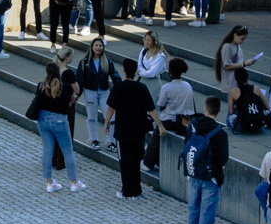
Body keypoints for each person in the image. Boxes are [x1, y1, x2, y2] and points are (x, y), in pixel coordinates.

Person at [26, 60, 83, 193]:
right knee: (68, 151)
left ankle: (49, 182)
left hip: (43, 120)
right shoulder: (67, 87)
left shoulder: (41, 85)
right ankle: (74, 182)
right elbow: (71, 102)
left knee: (47, 151)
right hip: (60, 120)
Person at [183, 96, 229, 224]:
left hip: (193, 173)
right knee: (206, 213)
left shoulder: (193, 125)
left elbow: (187, 145)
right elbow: (223, 159)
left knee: (193, 209)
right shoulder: (220, 133)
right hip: (211, 177)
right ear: (219, 111)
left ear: (205, 108)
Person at [105, 58, 157, 199]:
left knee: (125, 162)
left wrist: (106, 123)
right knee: (135, 160)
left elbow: (110, 108)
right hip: (138, 130)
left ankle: (127, 190)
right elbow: (151, 109)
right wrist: (161, 125)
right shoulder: (142, 88)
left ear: (124, 71)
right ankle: (137, 189)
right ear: (136, 71)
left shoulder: (119, 87)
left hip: (123, 130)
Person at [75, 37, 119, 149]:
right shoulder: (84, 62)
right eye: (96, 45)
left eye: (100, 45)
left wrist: (119, 89)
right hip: (90, 91)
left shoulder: (107, 61)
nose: (98, 48)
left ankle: (111, 141)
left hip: (104, 91)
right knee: (91, 117)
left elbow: (115, 76)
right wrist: (77, 94)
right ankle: (94, 139)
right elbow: (80, 79)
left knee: (110, 117)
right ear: (92, 47)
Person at [156, 58, 195, 136]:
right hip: (184, 122)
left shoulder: (166, 87)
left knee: (157, 132)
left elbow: (161, 106)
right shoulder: (188, 85)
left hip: (168, 122)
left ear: (170, 72)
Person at [227, 67, 270, 133]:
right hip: (258, 125)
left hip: (243, 126)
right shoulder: (256, 88)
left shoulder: (232, 91)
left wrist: (237, 107)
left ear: (236, 79)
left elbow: (230, 112)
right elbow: (267, 107)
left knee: (231, 118)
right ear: (247, 77)